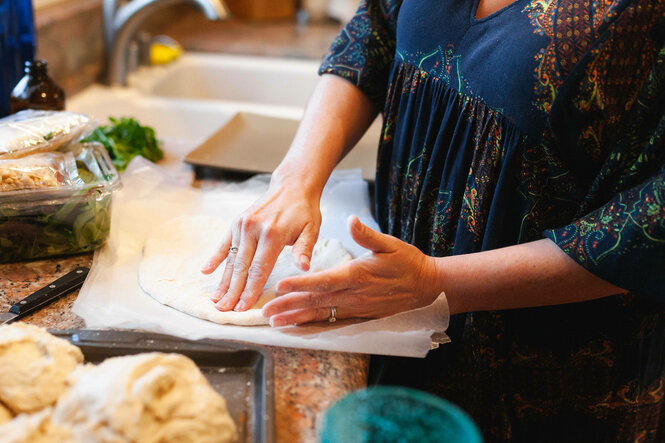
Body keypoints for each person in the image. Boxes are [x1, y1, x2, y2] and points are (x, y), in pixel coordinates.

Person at [202, 0, 665, 440]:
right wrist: (296, 176)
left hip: (539, 382)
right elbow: (376, 32)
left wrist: (435, 281)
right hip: (390, 318)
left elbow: (647, 227)